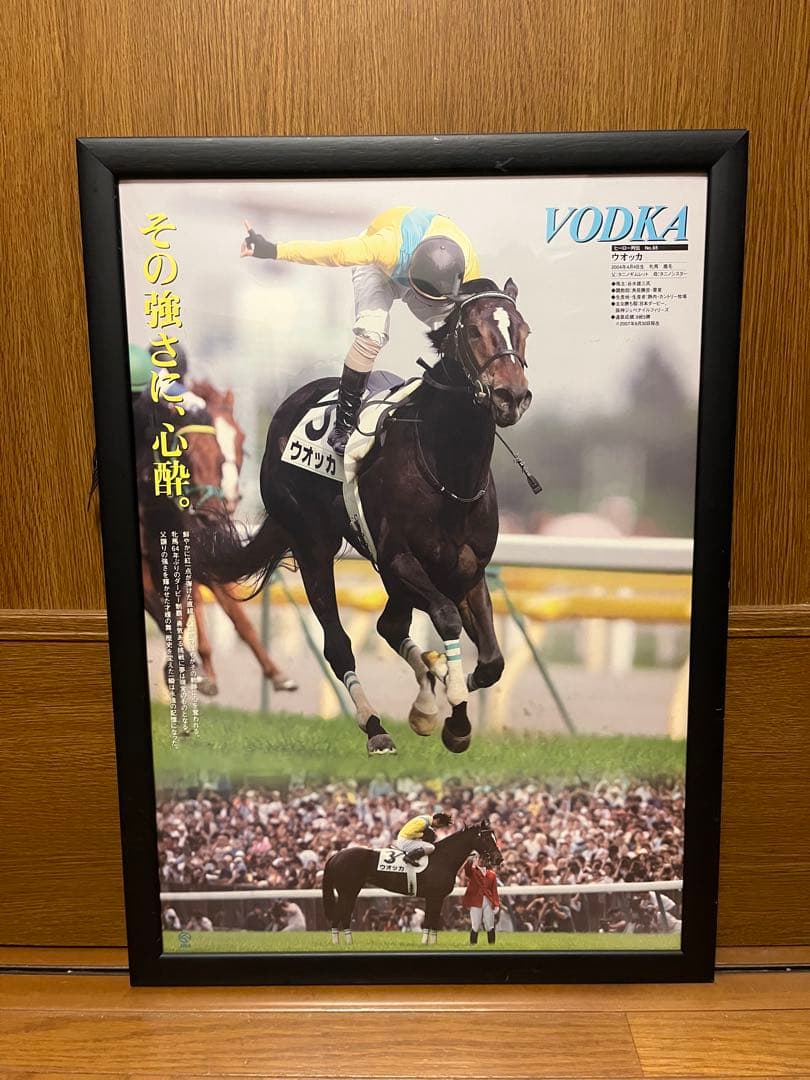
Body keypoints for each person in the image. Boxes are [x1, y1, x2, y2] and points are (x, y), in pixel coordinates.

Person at [240, 206, 481, 454]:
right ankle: (342, 426)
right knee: (371, 335)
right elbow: (329, 253)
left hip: (433, 279)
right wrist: (271, 249)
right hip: (377, 269)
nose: (423, 302)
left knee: (459, 333)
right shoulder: (383, 247)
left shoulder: (468, 266)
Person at [461, 853, 501, 944]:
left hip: (488, 901)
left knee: (490, 924)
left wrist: (496, 903)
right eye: (481, 858)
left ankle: (491, 944)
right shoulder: (473, 871)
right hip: (476, 901)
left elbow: (494, 890)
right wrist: (470, 860)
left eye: (484, 859)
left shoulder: (492, 874)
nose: (482, 861)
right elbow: (467, 870)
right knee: (476, 925)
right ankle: (473, 944)